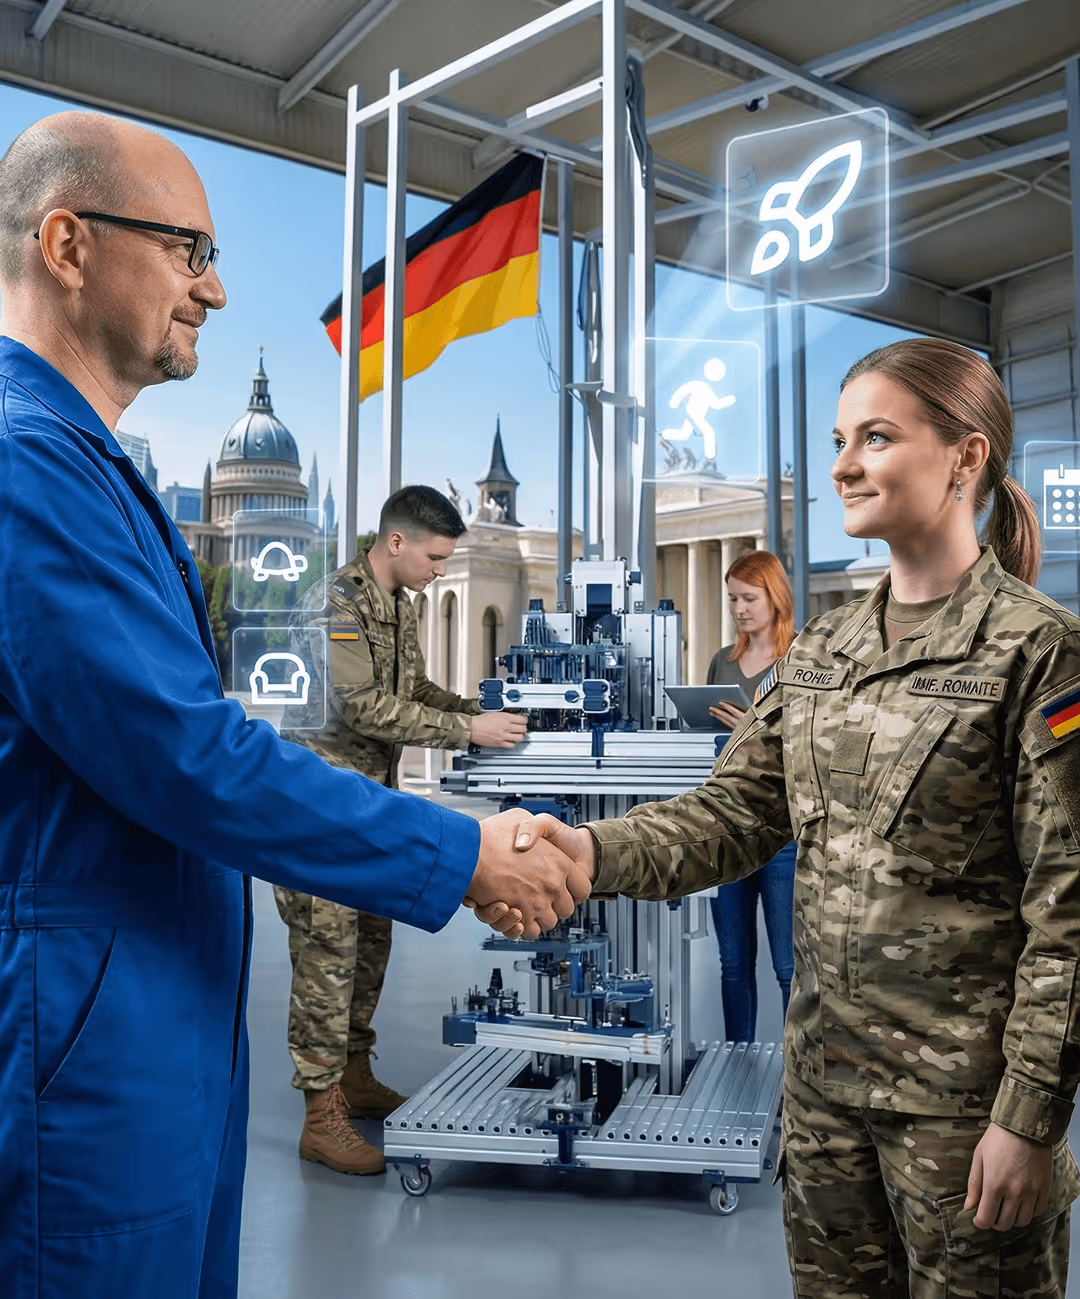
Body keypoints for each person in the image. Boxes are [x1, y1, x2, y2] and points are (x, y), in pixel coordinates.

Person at [0, 111, 585, 1299]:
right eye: (187, 250)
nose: (212, 290)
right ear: (67, 243)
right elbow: (186, 752)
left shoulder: (95, 469)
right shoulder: (26, 466)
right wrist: (464, 848)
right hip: (88, 1039)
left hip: (151, 1015)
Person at [505, 338, 1080, 1297]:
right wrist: (587, 848)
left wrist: (1027, 1118)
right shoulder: (823, 652)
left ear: (966, 458)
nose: (842, 465)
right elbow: (729, 816)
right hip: (821, 1108)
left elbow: (1070, 914)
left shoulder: (1041, 654)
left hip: (963, 1118)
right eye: (838, 438)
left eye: (877, 437)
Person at [275, 485, 527, 1176]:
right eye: (436, 557)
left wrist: (484, 710)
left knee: (371, 944)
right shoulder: (336, 604)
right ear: (396, 543)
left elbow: (414, 691)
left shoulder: (398, 608)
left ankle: (353, 1073)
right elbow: (366, 709)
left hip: (369, 811)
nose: (441, 570)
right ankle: (321, 1114)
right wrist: (464, 729)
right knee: (328, 954)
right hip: (318, 814)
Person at [706, 550, 796, 1043]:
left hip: (784, 835)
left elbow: (811, 745)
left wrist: (750, 728)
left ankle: (795, 1080)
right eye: (732, 599)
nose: (739, 608)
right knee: (733, 963)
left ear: (774, 596)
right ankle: (736, 1064)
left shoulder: (803, 657)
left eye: (749, 597)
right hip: (727, 827)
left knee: (788, 965)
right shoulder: (724, 660)